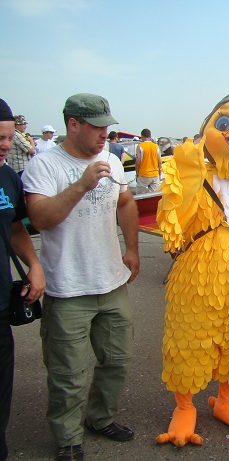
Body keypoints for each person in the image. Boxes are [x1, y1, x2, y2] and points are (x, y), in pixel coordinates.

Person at [21, 93, 140, 461]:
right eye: (97, 127)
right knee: (67, 373)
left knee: (117, 360)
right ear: (73, 124)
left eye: (107, 126)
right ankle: (68, 438)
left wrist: (132, 249)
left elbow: (126, 203)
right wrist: (81, 185)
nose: (105, 133)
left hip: (111, 281)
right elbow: (40, 219)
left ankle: (100, 418)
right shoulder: (45, 165)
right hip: (68, 288)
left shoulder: (112, 160)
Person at [0, 98, 45, 461]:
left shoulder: (8, 177)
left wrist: (33, 264)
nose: (5, 145)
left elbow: (16, 227)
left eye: (7, 137)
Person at [135, 128, 162, 195]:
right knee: (154, 196)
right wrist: (159, 174)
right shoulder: (156, 146)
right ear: (150, 136)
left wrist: (137, 173)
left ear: (142, 136)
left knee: (140, 196)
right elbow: (160, 162)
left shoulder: (140, 146)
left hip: (143, 174)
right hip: (155, 174)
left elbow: (138, 162)